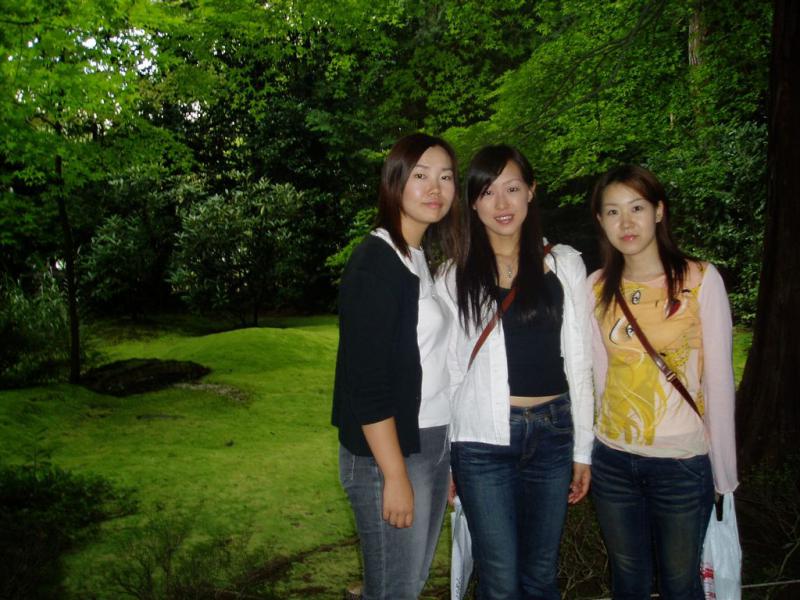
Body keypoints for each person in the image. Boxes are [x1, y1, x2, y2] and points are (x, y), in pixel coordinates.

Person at [438, 145, 594, 600]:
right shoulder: (453, 276)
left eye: (512, 188)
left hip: (553, 432)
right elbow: (451, 374)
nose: (502, 203)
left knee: (541, 576)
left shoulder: (565, 263)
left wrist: (583, 450)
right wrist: (447, 457)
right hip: (481, 444)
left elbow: (579, 362)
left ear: (531, 191)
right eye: (488, 192)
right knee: (500, 582)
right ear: (473, 203)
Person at [588, 164, 738, 600]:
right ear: (601, 221)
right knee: (628, 581)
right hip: (613, 459)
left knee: (680, 585)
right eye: (613, 212)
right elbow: (598, 376)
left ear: (658, 211)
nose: (626, 222)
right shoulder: (595, 287)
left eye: (636, 208)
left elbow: (719, 382)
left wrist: (724, 476)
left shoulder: (700, 279)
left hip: (681, 461)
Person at [332, 133, 461, 600]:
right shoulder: (375, 264)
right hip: (388, 454)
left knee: (407, 584)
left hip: (430, 443)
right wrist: (395, 475)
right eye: (421, 175)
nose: (435, 188)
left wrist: (446, 456)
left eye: (445, 177)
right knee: (394, 590)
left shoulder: (417, 257)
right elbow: (366, 384)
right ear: (394, 182)